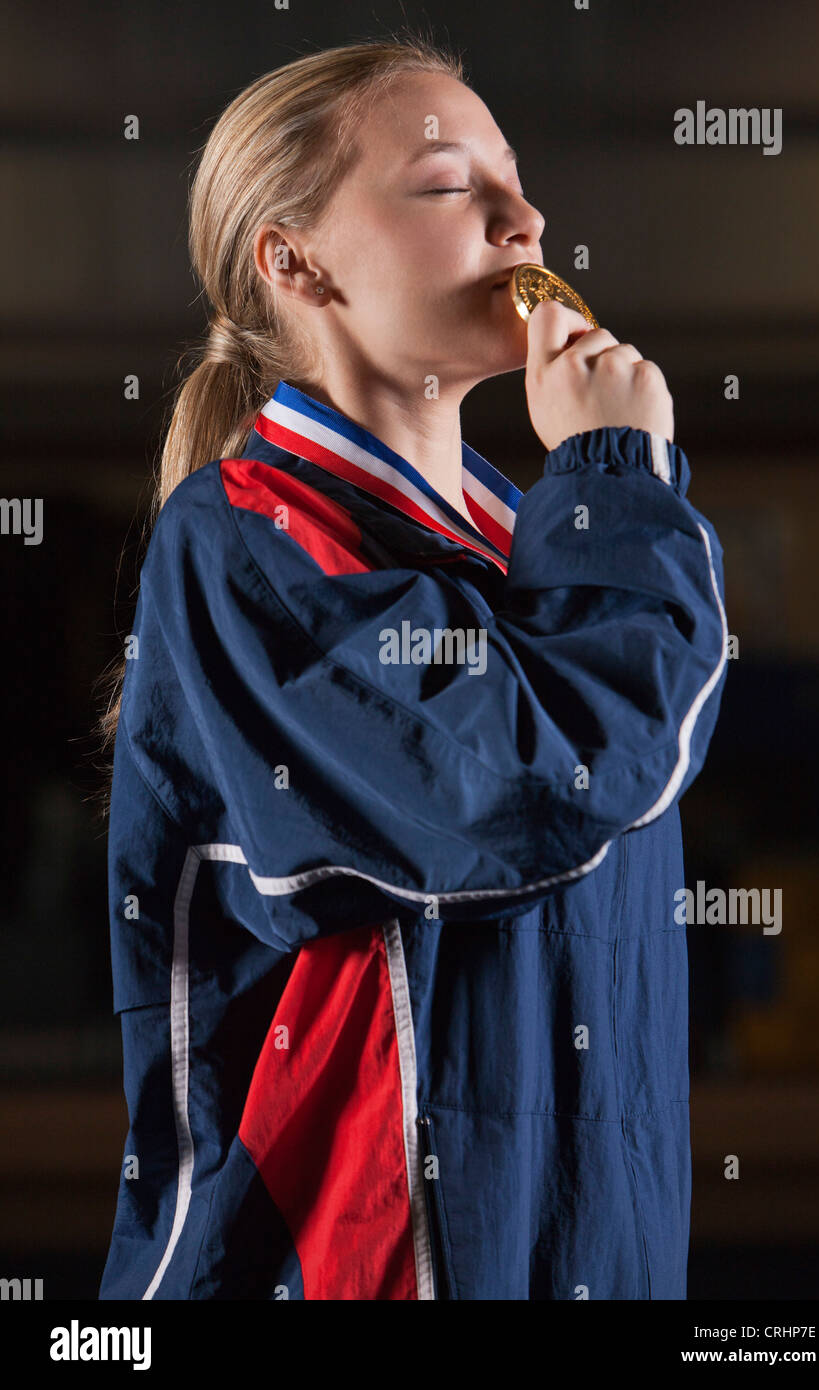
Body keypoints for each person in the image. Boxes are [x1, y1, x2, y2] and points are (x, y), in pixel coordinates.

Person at [96, 35, 728, 1301]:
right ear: (294, 258)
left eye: (516, 178)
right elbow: (536, 789)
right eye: (449, 185)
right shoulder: (249, 541)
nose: (524, 218)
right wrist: (608, 482)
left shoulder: (536, 552)